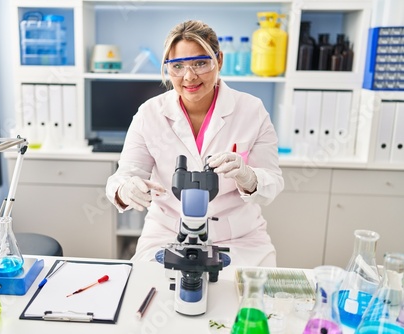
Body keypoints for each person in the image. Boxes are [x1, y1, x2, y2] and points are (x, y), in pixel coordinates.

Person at [105, 20, 284, 266]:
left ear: (219, 61)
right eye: (177, 66)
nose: (189, 76)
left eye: (200, 63)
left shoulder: (252, 110)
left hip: (239, 237)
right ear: (168, 68)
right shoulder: (149, 114)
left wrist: (249, 178)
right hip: (167, 234)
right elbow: (123, 175)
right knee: (150, 293)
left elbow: (272, 182)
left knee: (252, 298)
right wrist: (126, 189)